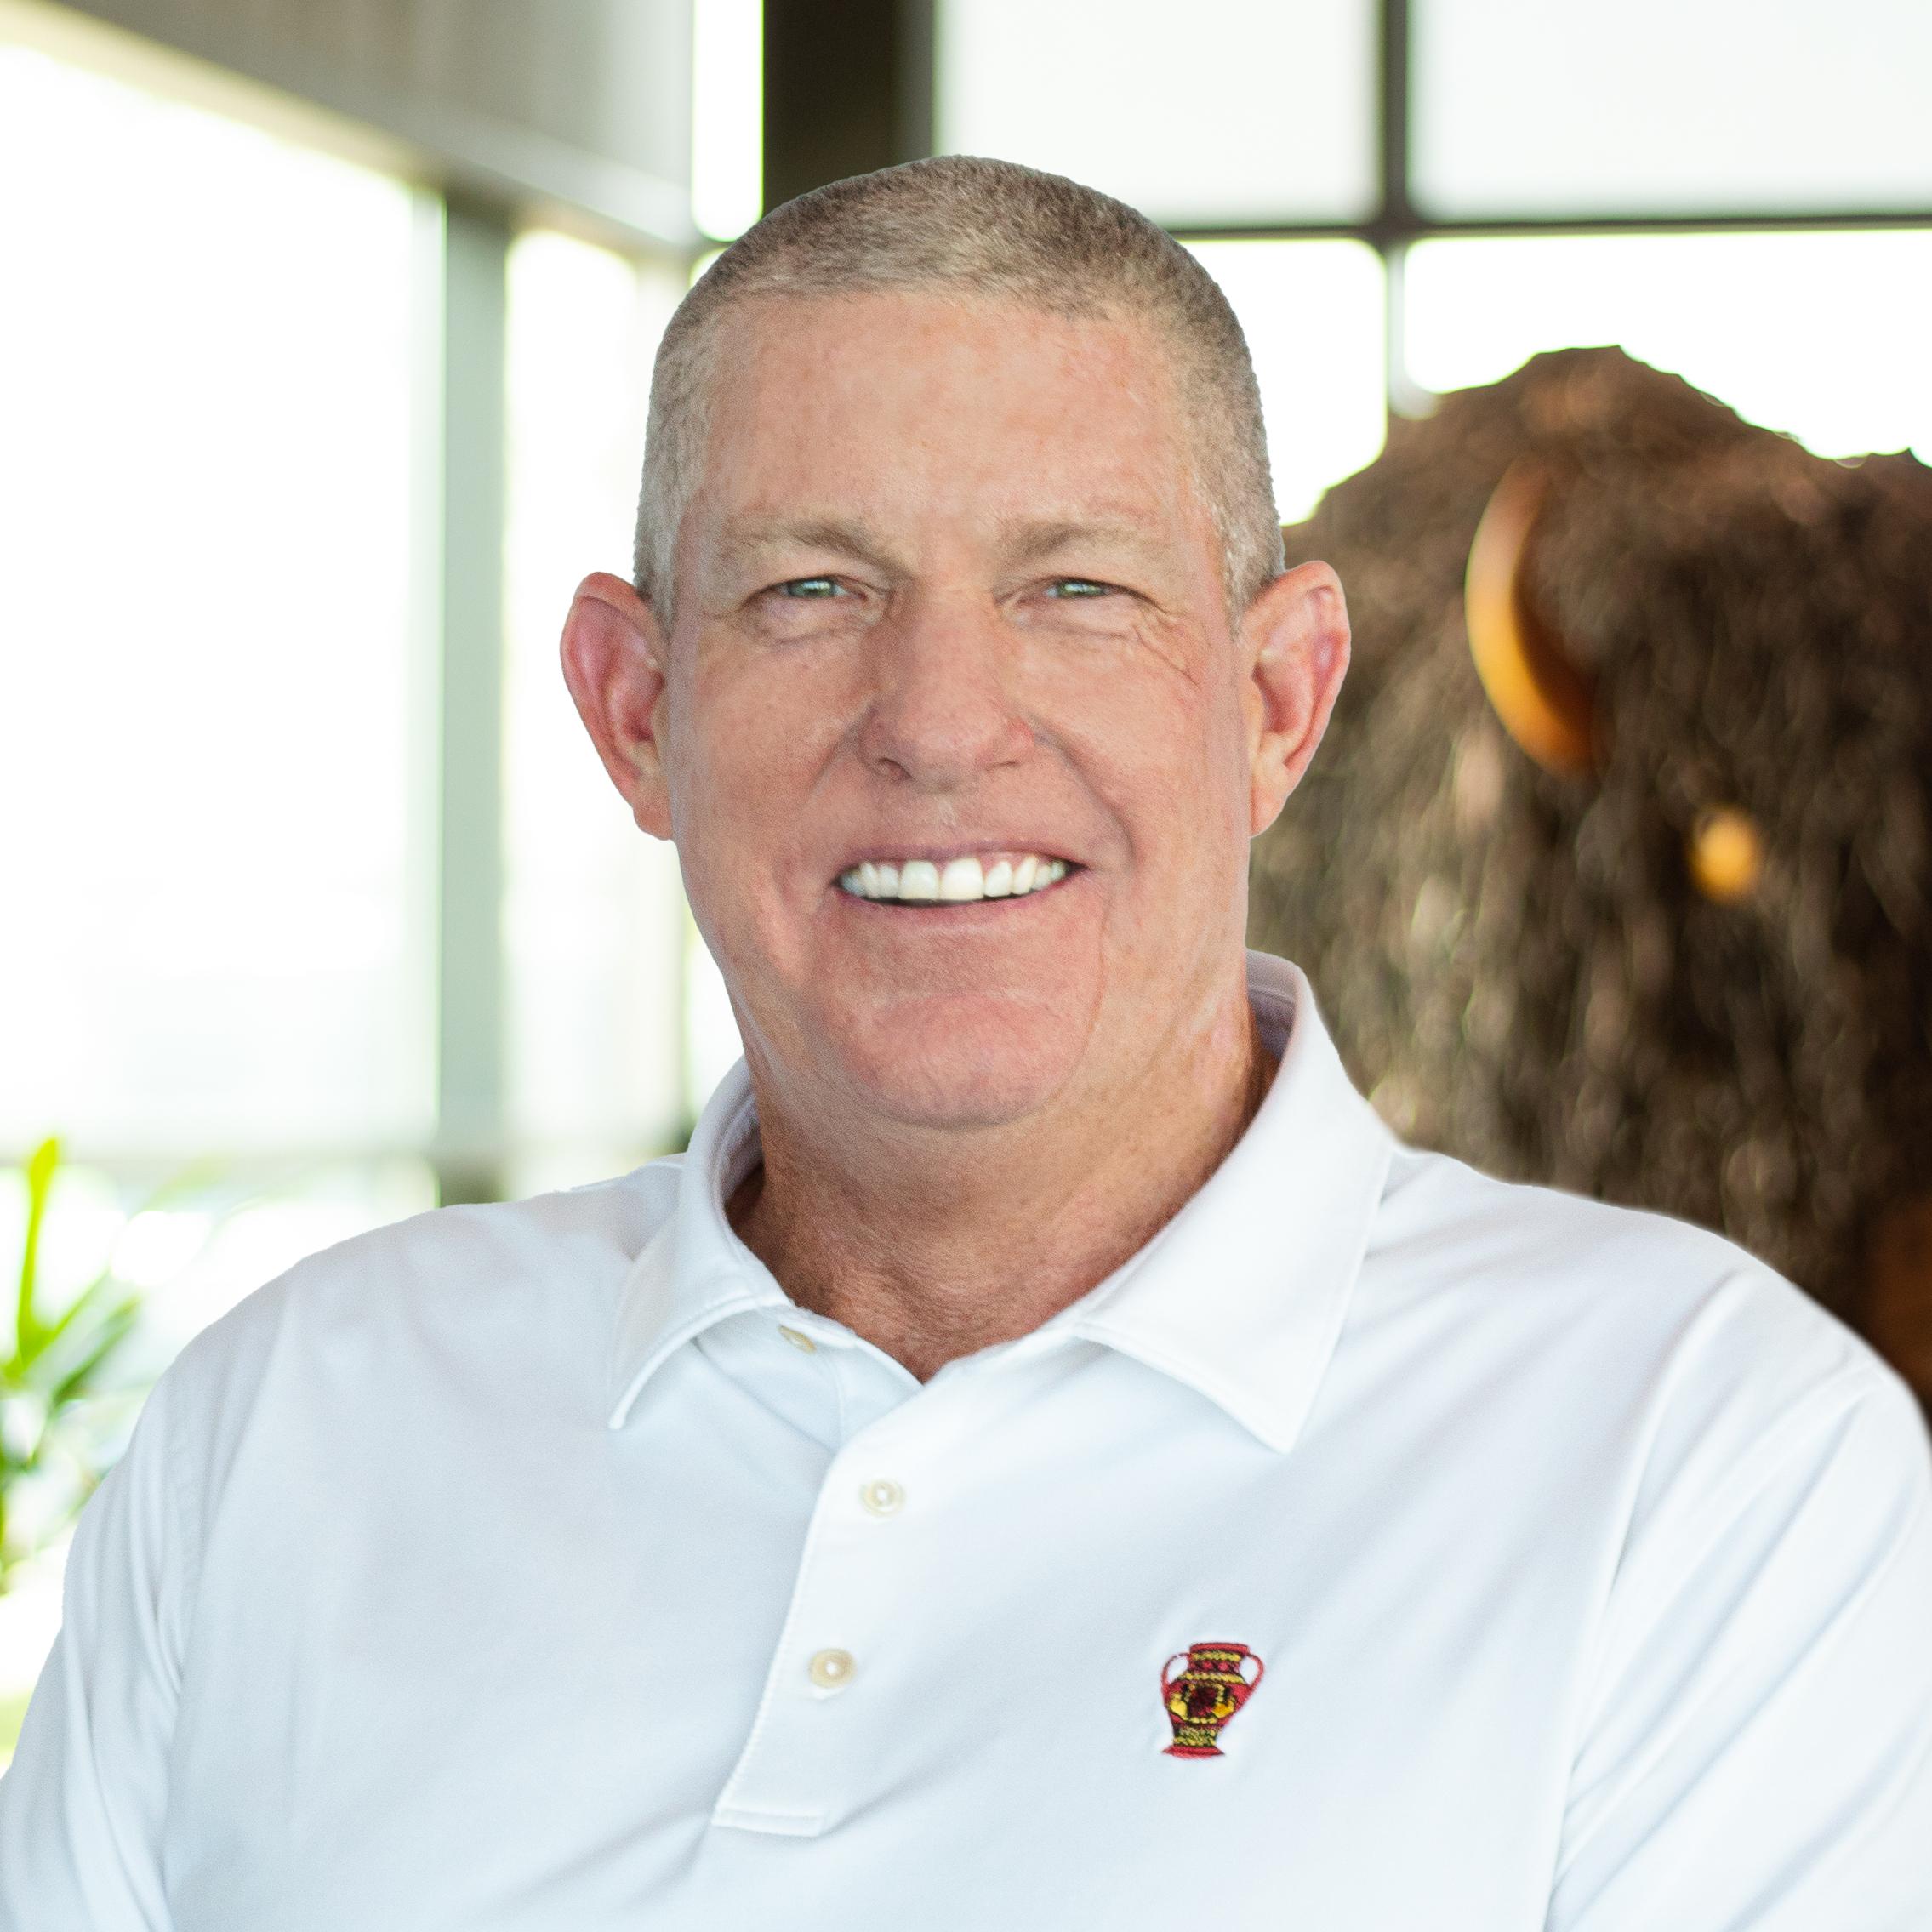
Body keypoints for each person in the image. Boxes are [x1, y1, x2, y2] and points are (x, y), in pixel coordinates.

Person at [3, 156, 1928, 1931]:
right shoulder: (278, 1427)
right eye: (810, 589)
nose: (936, 721)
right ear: (632, 706)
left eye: (1072, 588)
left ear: (1275, 700)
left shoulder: (1706, 1464)